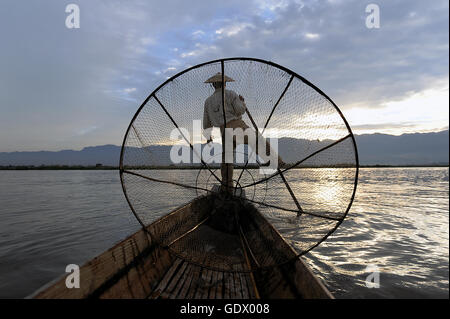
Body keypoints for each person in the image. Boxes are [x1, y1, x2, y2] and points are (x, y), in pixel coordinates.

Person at [202, 72, 284, 192]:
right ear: (224, 83)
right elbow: (240, 110)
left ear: (214, 85)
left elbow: (206, 121)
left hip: (223, 130)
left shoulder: (208, 101)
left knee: (227, 159)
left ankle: (227, 186)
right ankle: (276, 161)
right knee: (257, 139)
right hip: (236, 126)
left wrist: (208, 137)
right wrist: (242, 102)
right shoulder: (230, 94)